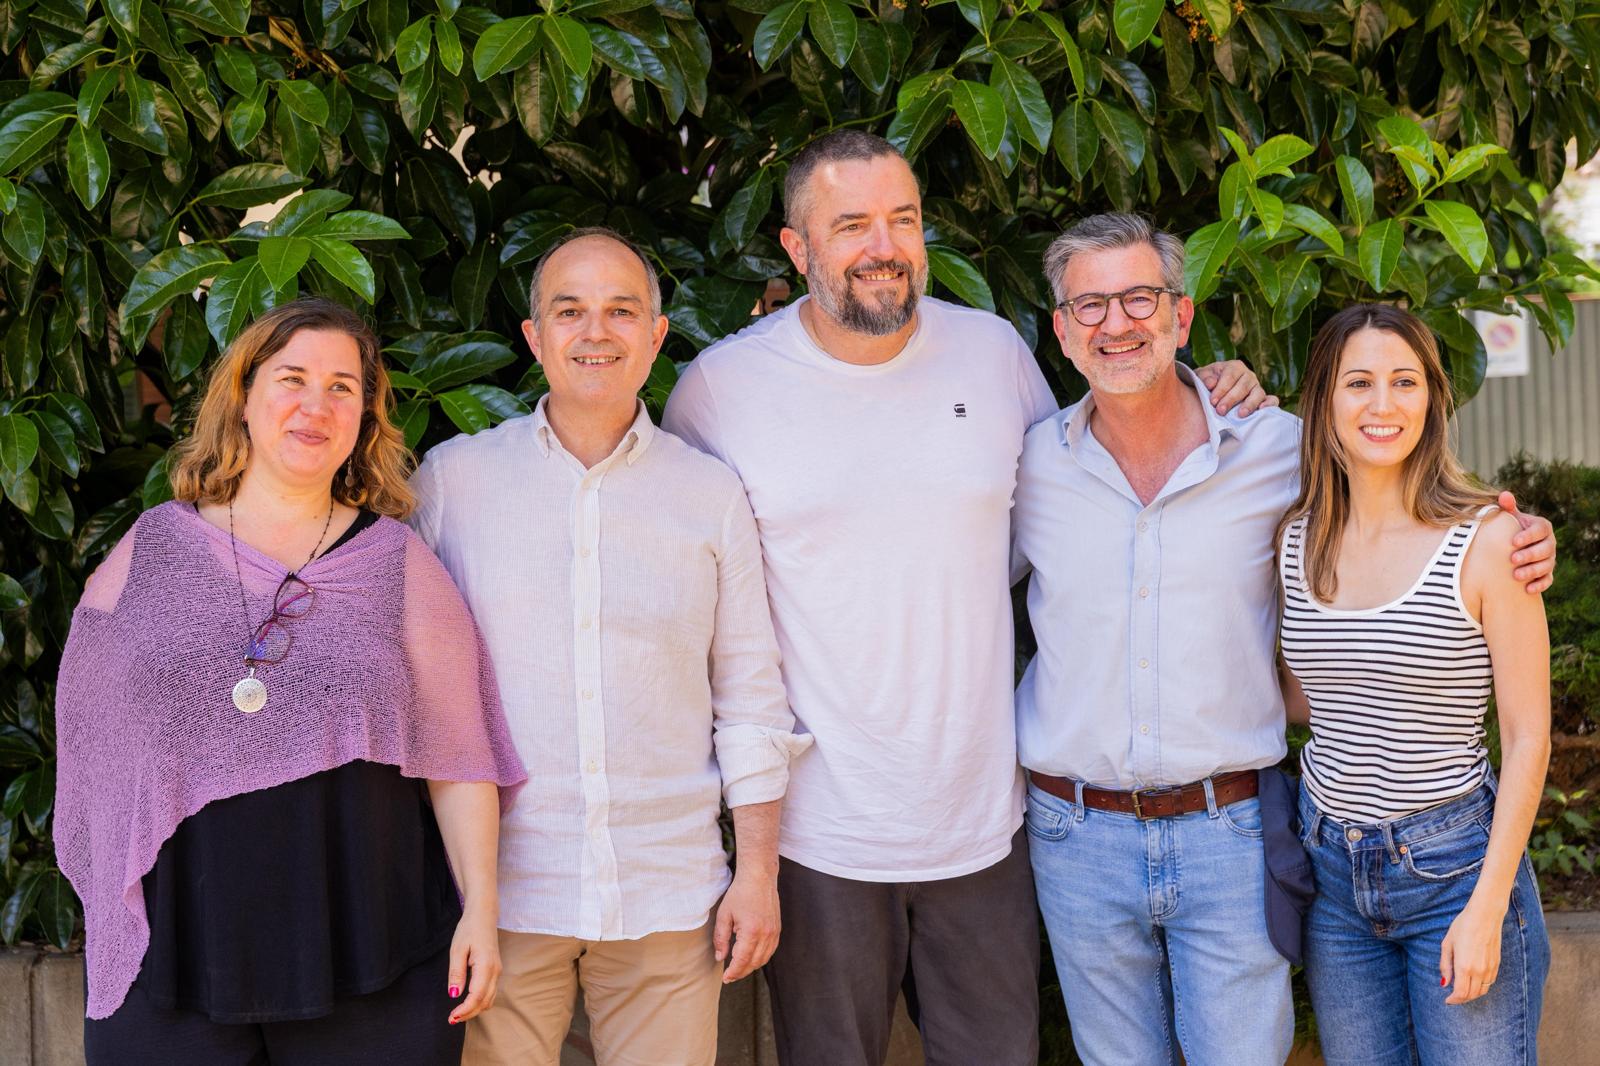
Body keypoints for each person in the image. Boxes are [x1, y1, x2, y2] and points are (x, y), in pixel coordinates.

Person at [662, 132, 1269, 1066]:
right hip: (821, 835)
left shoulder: (992, 355)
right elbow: (694, 614)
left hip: (986, 824)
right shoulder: (720, 392)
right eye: (852, 224)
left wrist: (1217, 384)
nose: (884, 245)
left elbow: (1087, 501)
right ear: (796, 249)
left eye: (903, 220)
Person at [1012, 213, 1557, 1066]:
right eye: (1091, 305)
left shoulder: (1274, 454)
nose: (1117, 322)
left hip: (1263, 833)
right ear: (1061, 329)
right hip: (1100, 837)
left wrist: (1521, 537)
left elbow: (1523, 728)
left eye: (1141, 297)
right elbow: (1309, 679)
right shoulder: (1030, 465)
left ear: (1182, 315)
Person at [54, 297, 527, 1065]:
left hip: (374, 952)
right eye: (293, 379)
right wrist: (112, 892)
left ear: (365, 418)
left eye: (343, 387)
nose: (317, 406)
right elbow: (89, 735)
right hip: (178, 954)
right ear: (243, 396)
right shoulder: (153, 549)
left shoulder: (398, 563)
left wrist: (481, 910)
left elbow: (460, 757)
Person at [411, 228, 811, 1066]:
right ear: (535, 337)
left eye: (621, 311)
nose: (596, 332)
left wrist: (758, 872)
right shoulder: (451, 482)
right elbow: (408, 689)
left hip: (667, 895)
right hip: (503, 900)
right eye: (570, 312)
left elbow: (749, 693)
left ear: (657, 335)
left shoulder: (708, 493)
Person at [1278, 305, 1551, 1065]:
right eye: (1357, 382)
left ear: (1431, 398)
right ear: (1323, 400)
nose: (1383, 404)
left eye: (1404, 382)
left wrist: (1490, 904)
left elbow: (1530, 737)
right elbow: (1313, 699)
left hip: (1455, 869)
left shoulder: (1493, 542)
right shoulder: (1296, 540)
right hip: (1334, 874)